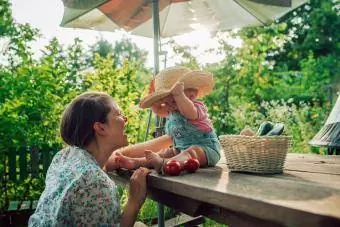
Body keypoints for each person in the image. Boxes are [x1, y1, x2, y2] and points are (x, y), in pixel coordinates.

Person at [28, 92, 150, 227]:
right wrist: (134, 201)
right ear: (100, 128)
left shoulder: (64, 157)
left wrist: (170, 138)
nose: (125, 119)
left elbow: (115, 158)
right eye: (119, 114)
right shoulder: (97, 183)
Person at [105, 66, 221, 174]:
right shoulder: (172, 110)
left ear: (191, 96)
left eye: (174, 101)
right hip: (181, 150)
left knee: (192, 151)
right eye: (166, 103)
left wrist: (179, 95)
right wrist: (155, 97)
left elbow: (189, 112)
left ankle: (164, 164)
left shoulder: (195, 108)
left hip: (206, 150)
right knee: (165, 153)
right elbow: (157, 109)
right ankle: (136, 162)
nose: (169, 106)